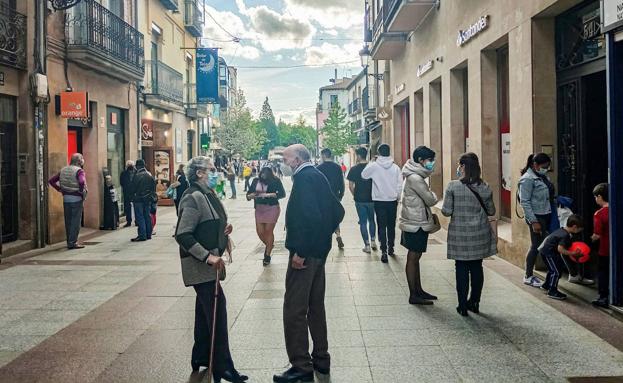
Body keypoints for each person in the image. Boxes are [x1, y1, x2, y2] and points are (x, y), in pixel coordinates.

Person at [273, 144, 344, 383]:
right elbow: (338, 211)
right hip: (319, 252)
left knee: (294, 309)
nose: (284, 162)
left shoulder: (304, 178)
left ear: (296, 159)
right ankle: (321, 358)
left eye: (286, 158)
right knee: (315, 306)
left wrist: (301, 251)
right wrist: (323, 240)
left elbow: (309, 216)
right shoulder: (317, 175)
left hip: (305, 255)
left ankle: (301, 366)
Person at [175, 156, 248, 383]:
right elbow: (183, 234)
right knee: (218, 311)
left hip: (208, 264)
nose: (215, 173)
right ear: (199, 173)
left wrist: (223, 229)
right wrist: (208, 257)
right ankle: (223, 367)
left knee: (205, 311)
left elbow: (209, 223)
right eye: (211, 169)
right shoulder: (193, 197)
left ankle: (201, 356)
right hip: (201, 266)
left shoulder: (208, 194)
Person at [442, 153, 496, 316]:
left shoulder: (452, 186)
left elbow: (446, 211)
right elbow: (492, 211)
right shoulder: (485, 186)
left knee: (461, 268)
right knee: (477, 268)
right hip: (479, 234)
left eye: (459, 165)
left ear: (463, 167)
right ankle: (475, 301)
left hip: (459, 235)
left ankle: (462, 304)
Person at [399, 146, 439, 305]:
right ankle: (414, 294)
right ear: (421, 160)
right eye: (430, 160)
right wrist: (434, 193)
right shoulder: (415, 178)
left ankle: (418, 290)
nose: (432, 163)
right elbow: (431, 200)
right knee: (413, 257)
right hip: (415, 223)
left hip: (414, 221)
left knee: (415, 257)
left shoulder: (414, 175)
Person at [361, 143, 402, 263]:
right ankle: (391, 248)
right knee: (391, 226)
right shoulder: (395, 168)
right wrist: (398, 198)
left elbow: (364, 175)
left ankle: (383, 251)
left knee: (381, 226)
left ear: (378, 153)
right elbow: (400, 185)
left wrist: (371, 162)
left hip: (379, 201)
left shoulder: (374, 166)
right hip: (392, 200)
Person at [519, 153, 554, 288]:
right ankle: (528, 275)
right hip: (537, 216)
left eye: (548, 166)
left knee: (543, 244)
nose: (546, 168)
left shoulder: (542, 176)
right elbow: (525, 202)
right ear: (535, 165)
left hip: (547, 213)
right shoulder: (527, 179)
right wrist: (534, 221)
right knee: (536, 245)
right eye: (544, 166)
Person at [538, 215, 585, 301]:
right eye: (579, 230)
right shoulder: (565, 235)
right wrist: (573, 253)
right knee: (556, 272)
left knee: (554, 270)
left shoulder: (562, 230)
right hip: (548, 253)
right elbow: (560, 249)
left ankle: (547, 285)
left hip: (546, 251)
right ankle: (552, 291)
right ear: (574, 227)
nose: (578, 232)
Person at [247, 167, 286, 266]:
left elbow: (282, 194)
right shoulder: (256, 181)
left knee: (268, 231)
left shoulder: (275, 181)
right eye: (261, 173)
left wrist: (272, 195)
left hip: (272, 207)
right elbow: (249, 194)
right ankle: (269, 245)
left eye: (265, 174)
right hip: (259, 209)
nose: (263, 175)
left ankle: (267, 255)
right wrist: (250, 196)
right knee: (260, 232)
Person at [48, 153, 87, 249]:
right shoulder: (79, 171)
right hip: (77, 199)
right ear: (79, 161)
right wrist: (81, 191)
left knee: (68, 221)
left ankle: (69, 241)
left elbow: (51, 181)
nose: (83, 160)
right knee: (76, 221)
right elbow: (81, 181)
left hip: (66, 199)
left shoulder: (63, 170)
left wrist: (59, 189)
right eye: (82, 158)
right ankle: (73, 242)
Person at [347, 147, 377, 253]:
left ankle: (367, 245)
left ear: (359, 156)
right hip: (372, 199)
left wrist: (356, 195)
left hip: (360, 200)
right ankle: (373, 240)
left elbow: (350, 186)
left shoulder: (354, 169)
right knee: (372, 220)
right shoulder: (372, 167)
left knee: (363, 222)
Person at [316, 148, 346, 249]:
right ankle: (338, 235)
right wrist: (341, 195)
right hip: (335, 197)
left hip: (322, 197)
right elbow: (341, 183)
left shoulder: (319, 168)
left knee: (323, 218)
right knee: (335, 216)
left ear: (324, 156)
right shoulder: (337, 167)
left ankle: (324, 239)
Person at [591, 183, 610, 307]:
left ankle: (603, 297)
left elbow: (597, 234)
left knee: (603, 272)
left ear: (599, 196)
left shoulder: (599, 214)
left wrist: (592, 239)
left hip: (604, 249)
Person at [131, 159, 156, 242]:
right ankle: (148, 234)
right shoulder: (149, 175)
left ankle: (142, 235)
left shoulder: (137, 175)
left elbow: (133, 188)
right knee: (147, 216)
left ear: (137, 166)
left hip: (138, 199)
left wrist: (132, 196)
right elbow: (153, 188)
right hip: (147, 199)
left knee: (140, 217)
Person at [120, 160, 135, 227]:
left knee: (133, 207)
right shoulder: (124, 173)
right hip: (129, 192)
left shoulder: (135, 173)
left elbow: (122, 182)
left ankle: (131, 221)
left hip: (131, 192)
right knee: (129, 207)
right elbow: (122, 182)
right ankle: (129, 221)